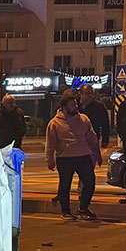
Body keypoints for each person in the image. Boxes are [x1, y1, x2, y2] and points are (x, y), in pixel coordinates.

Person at [46, 91, 102, 220]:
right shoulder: (54, 123)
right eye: (72, 105)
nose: (75, 107)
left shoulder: (84, 119)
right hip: (65, 158)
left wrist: (97, 153)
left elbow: (92, 137)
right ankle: (65, 211)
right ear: (64, 107)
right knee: (65, 185)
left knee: (89, 182)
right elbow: (51, 143)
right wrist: (50, 159)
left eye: (76, 104)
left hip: (83, 156)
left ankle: (83, 208)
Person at [78, 84, 110, 148]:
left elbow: (105, 124)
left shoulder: (99, 106)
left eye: (92, 93)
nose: (90, 95)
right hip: (76, 138)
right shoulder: (75, 105)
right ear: (80, 94)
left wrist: (105, 140)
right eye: (87, 93)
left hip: (92, 139)